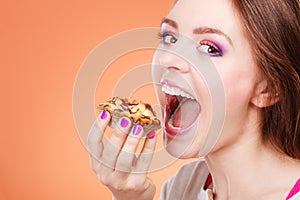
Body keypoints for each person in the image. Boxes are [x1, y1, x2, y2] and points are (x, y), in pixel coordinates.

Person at [87, 0, 300, 199]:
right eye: (170, 38)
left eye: (210, 48)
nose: (169, 59)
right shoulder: (183, 186)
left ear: (268, 88)